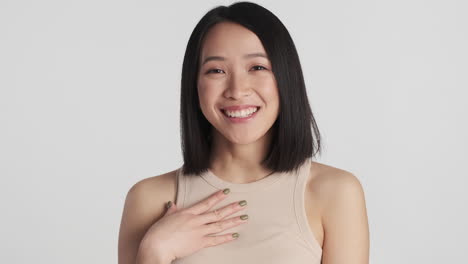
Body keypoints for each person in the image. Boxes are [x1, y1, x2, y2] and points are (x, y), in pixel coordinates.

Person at [118, 2, 369, 264]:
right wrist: (154, 250)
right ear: (194, 85)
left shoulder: (335, 192)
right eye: (216, 71)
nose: (237, 90)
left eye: (257, 67)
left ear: (286, 77)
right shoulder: (148, 199)